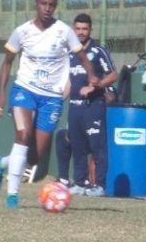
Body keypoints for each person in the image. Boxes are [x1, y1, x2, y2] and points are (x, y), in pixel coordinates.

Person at [0, 0, 98, 208]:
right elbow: (7, 63)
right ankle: (13, 194)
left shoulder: (64, 32)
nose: (47, 8)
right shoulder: (22, 32)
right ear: (36, 4)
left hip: (51, 98)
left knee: (33, 157)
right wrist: (1, 94)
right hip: (24, 90)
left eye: (52, 5)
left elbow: (82, 57)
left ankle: (2, 164)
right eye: (43, 3)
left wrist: (91, 75)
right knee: (23, 134)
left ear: (55, 7)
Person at [55, 13, 117, 197]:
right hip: (74, 107)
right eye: (78, 29)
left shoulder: (98, 51)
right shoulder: (70, 52)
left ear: (90, 30)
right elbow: (68, 81)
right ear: (73, 30)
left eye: (85, 29)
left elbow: (113, 75)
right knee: (77, 146)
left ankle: (99, 185)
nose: (81, 32)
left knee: (97, 146)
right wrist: (58, 101)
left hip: (93, 106)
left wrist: (94, 86)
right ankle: (80, 183)